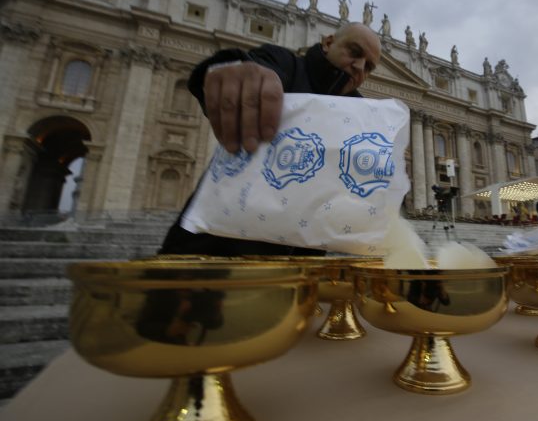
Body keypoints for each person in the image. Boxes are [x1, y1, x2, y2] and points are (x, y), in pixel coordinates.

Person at [159, 22, 382, 256]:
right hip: (216, 245)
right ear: (328, 43)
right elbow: (248, 66)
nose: (359, 67)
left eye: (369, 67)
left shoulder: (360, 114)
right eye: (354, 52)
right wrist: (238, 71)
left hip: (299, 261)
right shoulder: (285, 63)